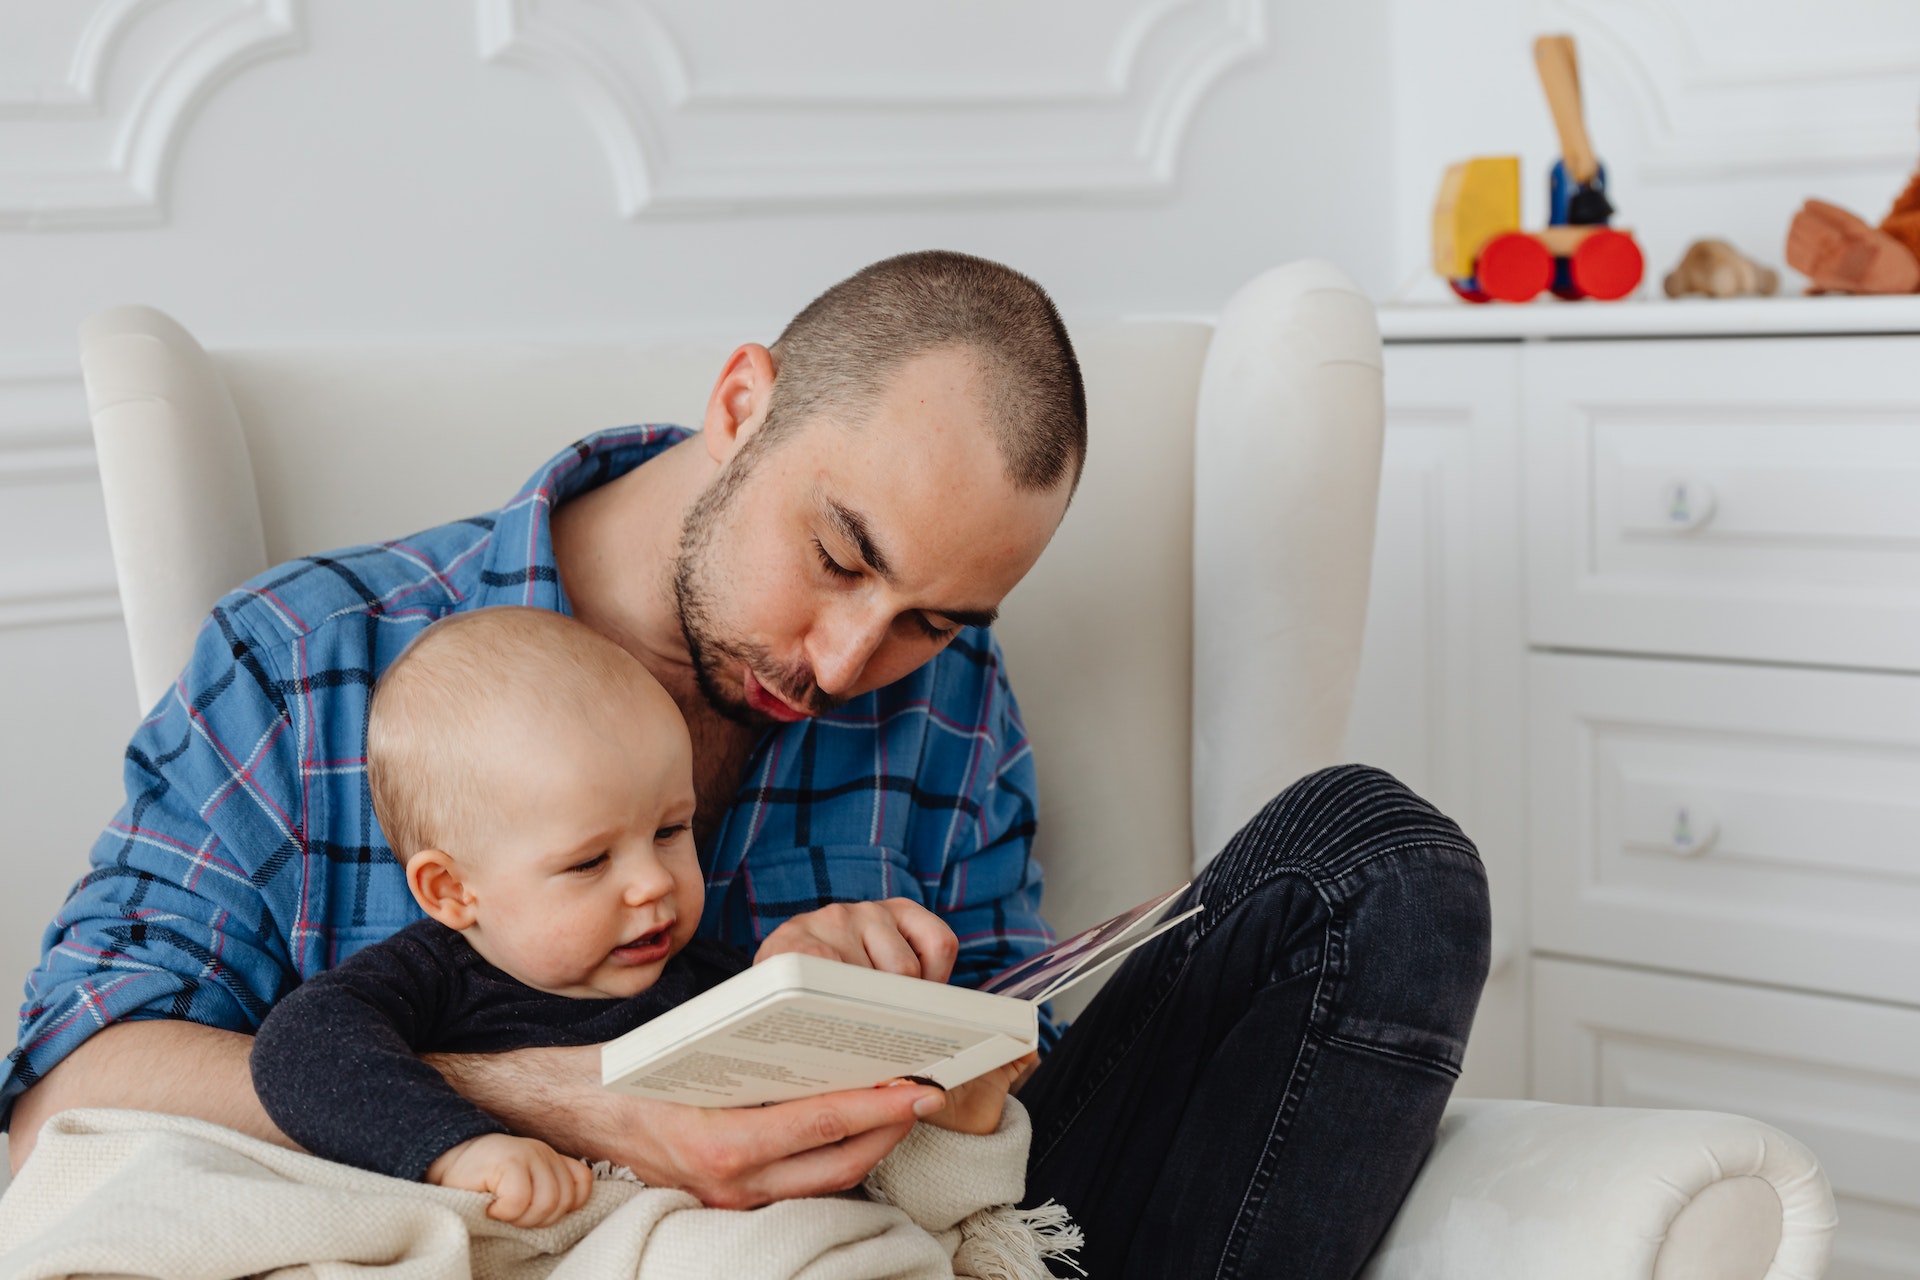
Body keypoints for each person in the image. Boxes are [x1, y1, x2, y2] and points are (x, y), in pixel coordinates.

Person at [7, 250, 1490, 1277]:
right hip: (523, 1243)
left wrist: (933, 1024)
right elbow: (68, 1099)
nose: (846, 665)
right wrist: (572, 1098)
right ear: (739, 404)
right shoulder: (309, 658)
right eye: (841, 556)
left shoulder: (948, 695)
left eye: (929, 617)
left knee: (1375, 860)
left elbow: (998, 1107)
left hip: (885, 1236)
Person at [250, 606, 1037, 1239]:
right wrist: (460, 1148)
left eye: (670, 831)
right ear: (452, 889)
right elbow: (298, 1048)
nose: (653, 883)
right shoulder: (431, 978)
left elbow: (865, 1178)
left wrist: (957, 1114)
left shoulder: (719, 985)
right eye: (590, 862)